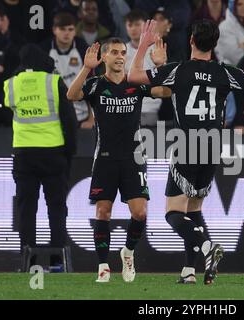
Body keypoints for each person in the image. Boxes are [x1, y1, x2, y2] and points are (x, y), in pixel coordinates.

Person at [128, 19, 244, 285]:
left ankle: (207, 247)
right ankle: (188, 271)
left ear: (191, 41)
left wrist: (143, 46)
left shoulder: (179, 70)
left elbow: (133, 76)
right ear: (215, 44)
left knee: (173, 212)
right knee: (193, 210)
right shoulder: (224, 72)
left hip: (187, 143)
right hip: (213, 146)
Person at [66, 38, 170, 283]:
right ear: (104, 57)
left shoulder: (135, 83)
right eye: (114, 52)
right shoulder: (95, 84)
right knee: (103, 212)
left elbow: (166, 92)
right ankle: (103, 265)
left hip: (133, 158)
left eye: (123, 52)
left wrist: (161, 67)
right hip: (105, 158)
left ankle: (128, 252)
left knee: (140, 213)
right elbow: (72, 95)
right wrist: (85, 68)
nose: (120, 56)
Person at [3, 44, 78, 269]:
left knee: (27, 208)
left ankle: (29, 262)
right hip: (53, 154)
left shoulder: (11, 84)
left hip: (24, 154)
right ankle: (58, 262)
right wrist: (70, 152)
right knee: (56, 207)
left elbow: (7, 108)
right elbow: (70, 122)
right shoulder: (53, 82)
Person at [42, 12, 93, 128]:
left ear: (75, 31)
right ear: (54, 30)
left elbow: (93, 85)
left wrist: (91, 119)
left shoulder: (83, 49)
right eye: (62, 29)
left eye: (70, 29)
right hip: (53, 116)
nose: (66, 33)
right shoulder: (44, 50)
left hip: (81, 116)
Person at [124, 9, 163, 126]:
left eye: (137, 24)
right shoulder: (121, 51)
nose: (133, 28)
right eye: (130, 25)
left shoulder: (157, 49)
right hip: (128, 108)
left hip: (151, 109)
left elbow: (165, 80)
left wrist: (160, 64)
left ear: (146, 26)